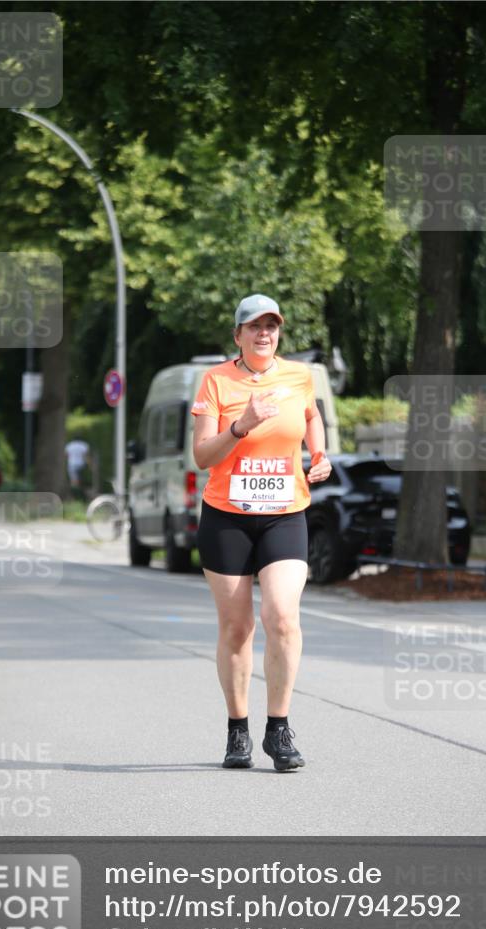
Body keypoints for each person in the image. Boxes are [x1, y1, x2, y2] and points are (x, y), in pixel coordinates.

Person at [191, 294, 332, 772]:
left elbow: (311, 417)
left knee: (282, 617)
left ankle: (278, 728)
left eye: (271, 326)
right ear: (238, 335)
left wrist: (320, 454)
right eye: (254, 326)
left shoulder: (299, 376)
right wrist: (241, 426)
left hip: (284, 513)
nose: (264, 333)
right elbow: (203, 456)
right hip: (226, 516)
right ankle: (237, 730)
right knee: (237, 628)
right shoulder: (214, 381)